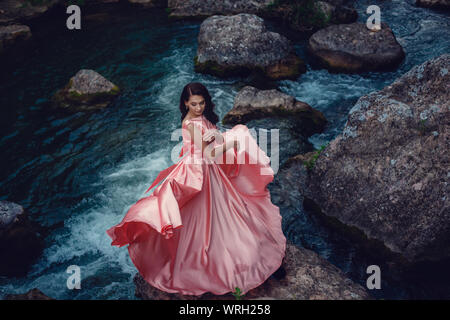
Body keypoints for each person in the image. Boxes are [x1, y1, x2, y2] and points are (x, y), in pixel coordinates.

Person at [106, 82, 286, 296]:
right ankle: (213, 264)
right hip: (200, 171)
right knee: (204, 217)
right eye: (194, 104)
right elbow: (209, 154)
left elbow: (211, 141)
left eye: (202, 103)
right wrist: (232, 144)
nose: (199, 108)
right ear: (185, 103)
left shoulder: (200, 118)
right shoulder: (190, 123)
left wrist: (219, 137)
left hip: (209, 171)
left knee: (225, 213)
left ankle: (240, 253)